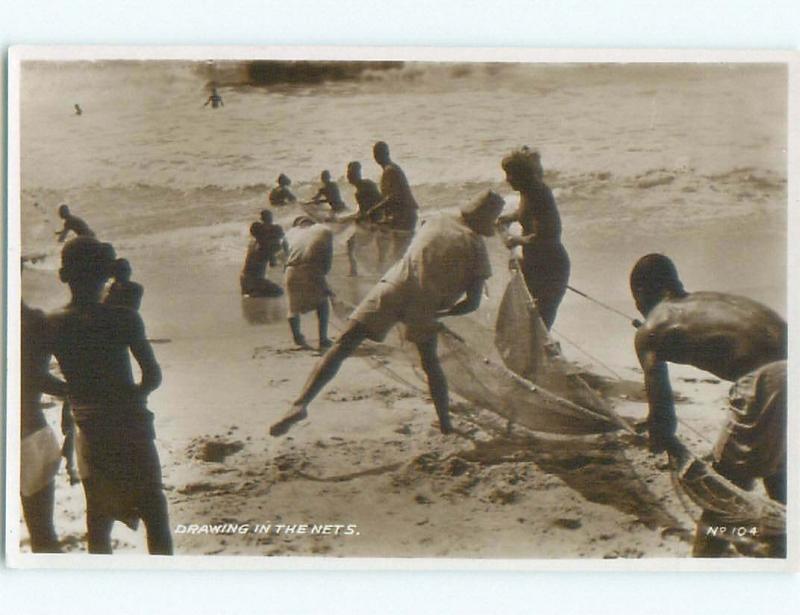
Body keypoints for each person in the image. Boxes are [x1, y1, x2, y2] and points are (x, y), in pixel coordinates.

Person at [269, 190, 505, 438]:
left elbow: (413, 248)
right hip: (424, 305)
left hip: (395, 286)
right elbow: (472, 302)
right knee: (430, 364)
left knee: (344, 344)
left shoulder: (437, 218)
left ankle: (300, 404)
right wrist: (443, 313)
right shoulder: (476, 247)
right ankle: (445, 424)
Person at [629, 253, 787, 557]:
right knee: (775, 465)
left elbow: (663, 419)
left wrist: (659, 437)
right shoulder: (704, 302)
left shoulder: (651, 328)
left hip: (770, 380)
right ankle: (782, 540)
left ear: (641, 293)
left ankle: (704, 563)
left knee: (723, 490)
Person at [44, 237, 173, 555]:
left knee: (98, 517)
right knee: (154, 511)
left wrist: (70, 392)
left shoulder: (52, 324)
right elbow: (153, 376)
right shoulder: (125, 318)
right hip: (131, 423)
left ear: (63, 275)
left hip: (90, 423)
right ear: (107, 274)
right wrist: (135, 397)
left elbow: (30, 376)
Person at [498, 147, 570, 330]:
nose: (507, 179)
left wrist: (515, 240)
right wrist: (509, 217)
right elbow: (527, 213)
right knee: (527, 319)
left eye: (510, 174)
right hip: (536, 264)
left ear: (521, 174)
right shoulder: (527, 191)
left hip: (551, 267)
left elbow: (545, 237)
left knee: (540, 324)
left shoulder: (538, 192)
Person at [20, 302, 69, 553]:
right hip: (29, 433)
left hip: (27, 435)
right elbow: (35, 377)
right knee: (42, 534)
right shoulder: (34, 320)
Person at [282, 216, 334, 350]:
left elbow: (287, 253)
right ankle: (323, 339)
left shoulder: (290, 233)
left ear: (298, 225)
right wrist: (323, 277)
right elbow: (327, 257)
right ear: (312, 222)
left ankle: (297, 338)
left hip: (291, 269)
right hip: (311, 268)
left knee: (292, 307)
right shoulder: (324, 230)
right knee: (322, 303)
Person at [367, 141, 419, 260]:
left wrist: (374, 210)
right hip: (403, 215)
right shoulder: (392, 169)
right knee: (398, 250)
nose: (377, 157)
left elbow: (392, 197)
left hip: (404, 216)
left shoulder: (390, 171)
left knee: (399, 253)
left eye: (378, 154)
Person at [342, 160, 385, 276]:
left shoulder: (366, 186)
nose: (348, 176)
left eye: (350, 173)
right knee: (351, 243)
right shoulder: (360, 189)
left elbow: (380, 201)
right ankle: (358, 270)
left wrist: (373, 219)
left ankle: (374, 270)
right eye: (348, 173)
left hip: (376, 220)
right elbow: (361, 211)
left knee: (353, 244)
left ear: (357, 174)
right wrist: (348, 219)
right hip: (371, 220)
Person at [240, 222, 283, 298]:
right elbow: (273, 264)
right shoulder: (265, 246)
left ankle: (252, 293)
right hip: (255, 281)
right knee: (279, 292)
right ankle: (256, 293)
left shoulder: (252, 243)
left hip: (243, 279)